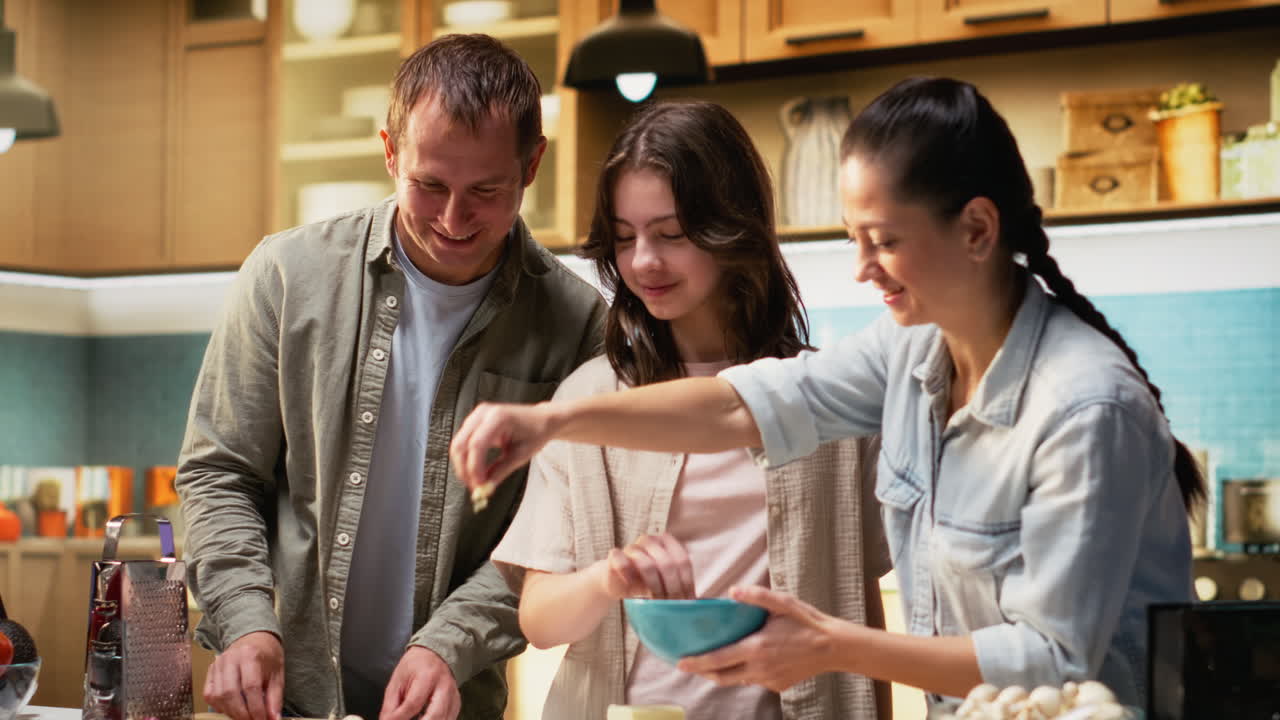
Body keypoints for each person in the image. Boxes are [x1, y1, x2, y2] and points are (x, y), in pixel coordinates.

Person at [451, 77, 1202, 710]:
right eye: (855, 240)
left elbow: (1050, 658)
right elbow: (739, 404)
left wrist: (828, 646)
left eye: (886, 240)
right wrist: (552, 421)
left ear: (976, 229)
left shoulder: (1084, 406)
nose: (864, 268)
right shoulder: (909, 354)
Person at [176, 34, 606, 720]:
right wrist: (246, 620)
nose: (454, 218)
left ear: (532, 165)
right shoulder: (286, 276)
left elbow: (558, 533)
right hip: (285, 701)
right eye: (429, 184)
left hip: (454, 704)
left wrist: (449, 645)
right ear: (388, 151)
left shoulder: (578, 324)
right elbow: (220, 475)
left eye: (486, 191)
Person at [487, 100, 892, 720]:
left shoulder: (823, 399)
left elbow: (858, 601)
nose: (644, 261)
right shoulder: (590, 401)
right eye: (625, 238)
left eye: (671, 234)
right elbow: (538, 620)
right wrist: (610, 578)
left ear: (734, 228)